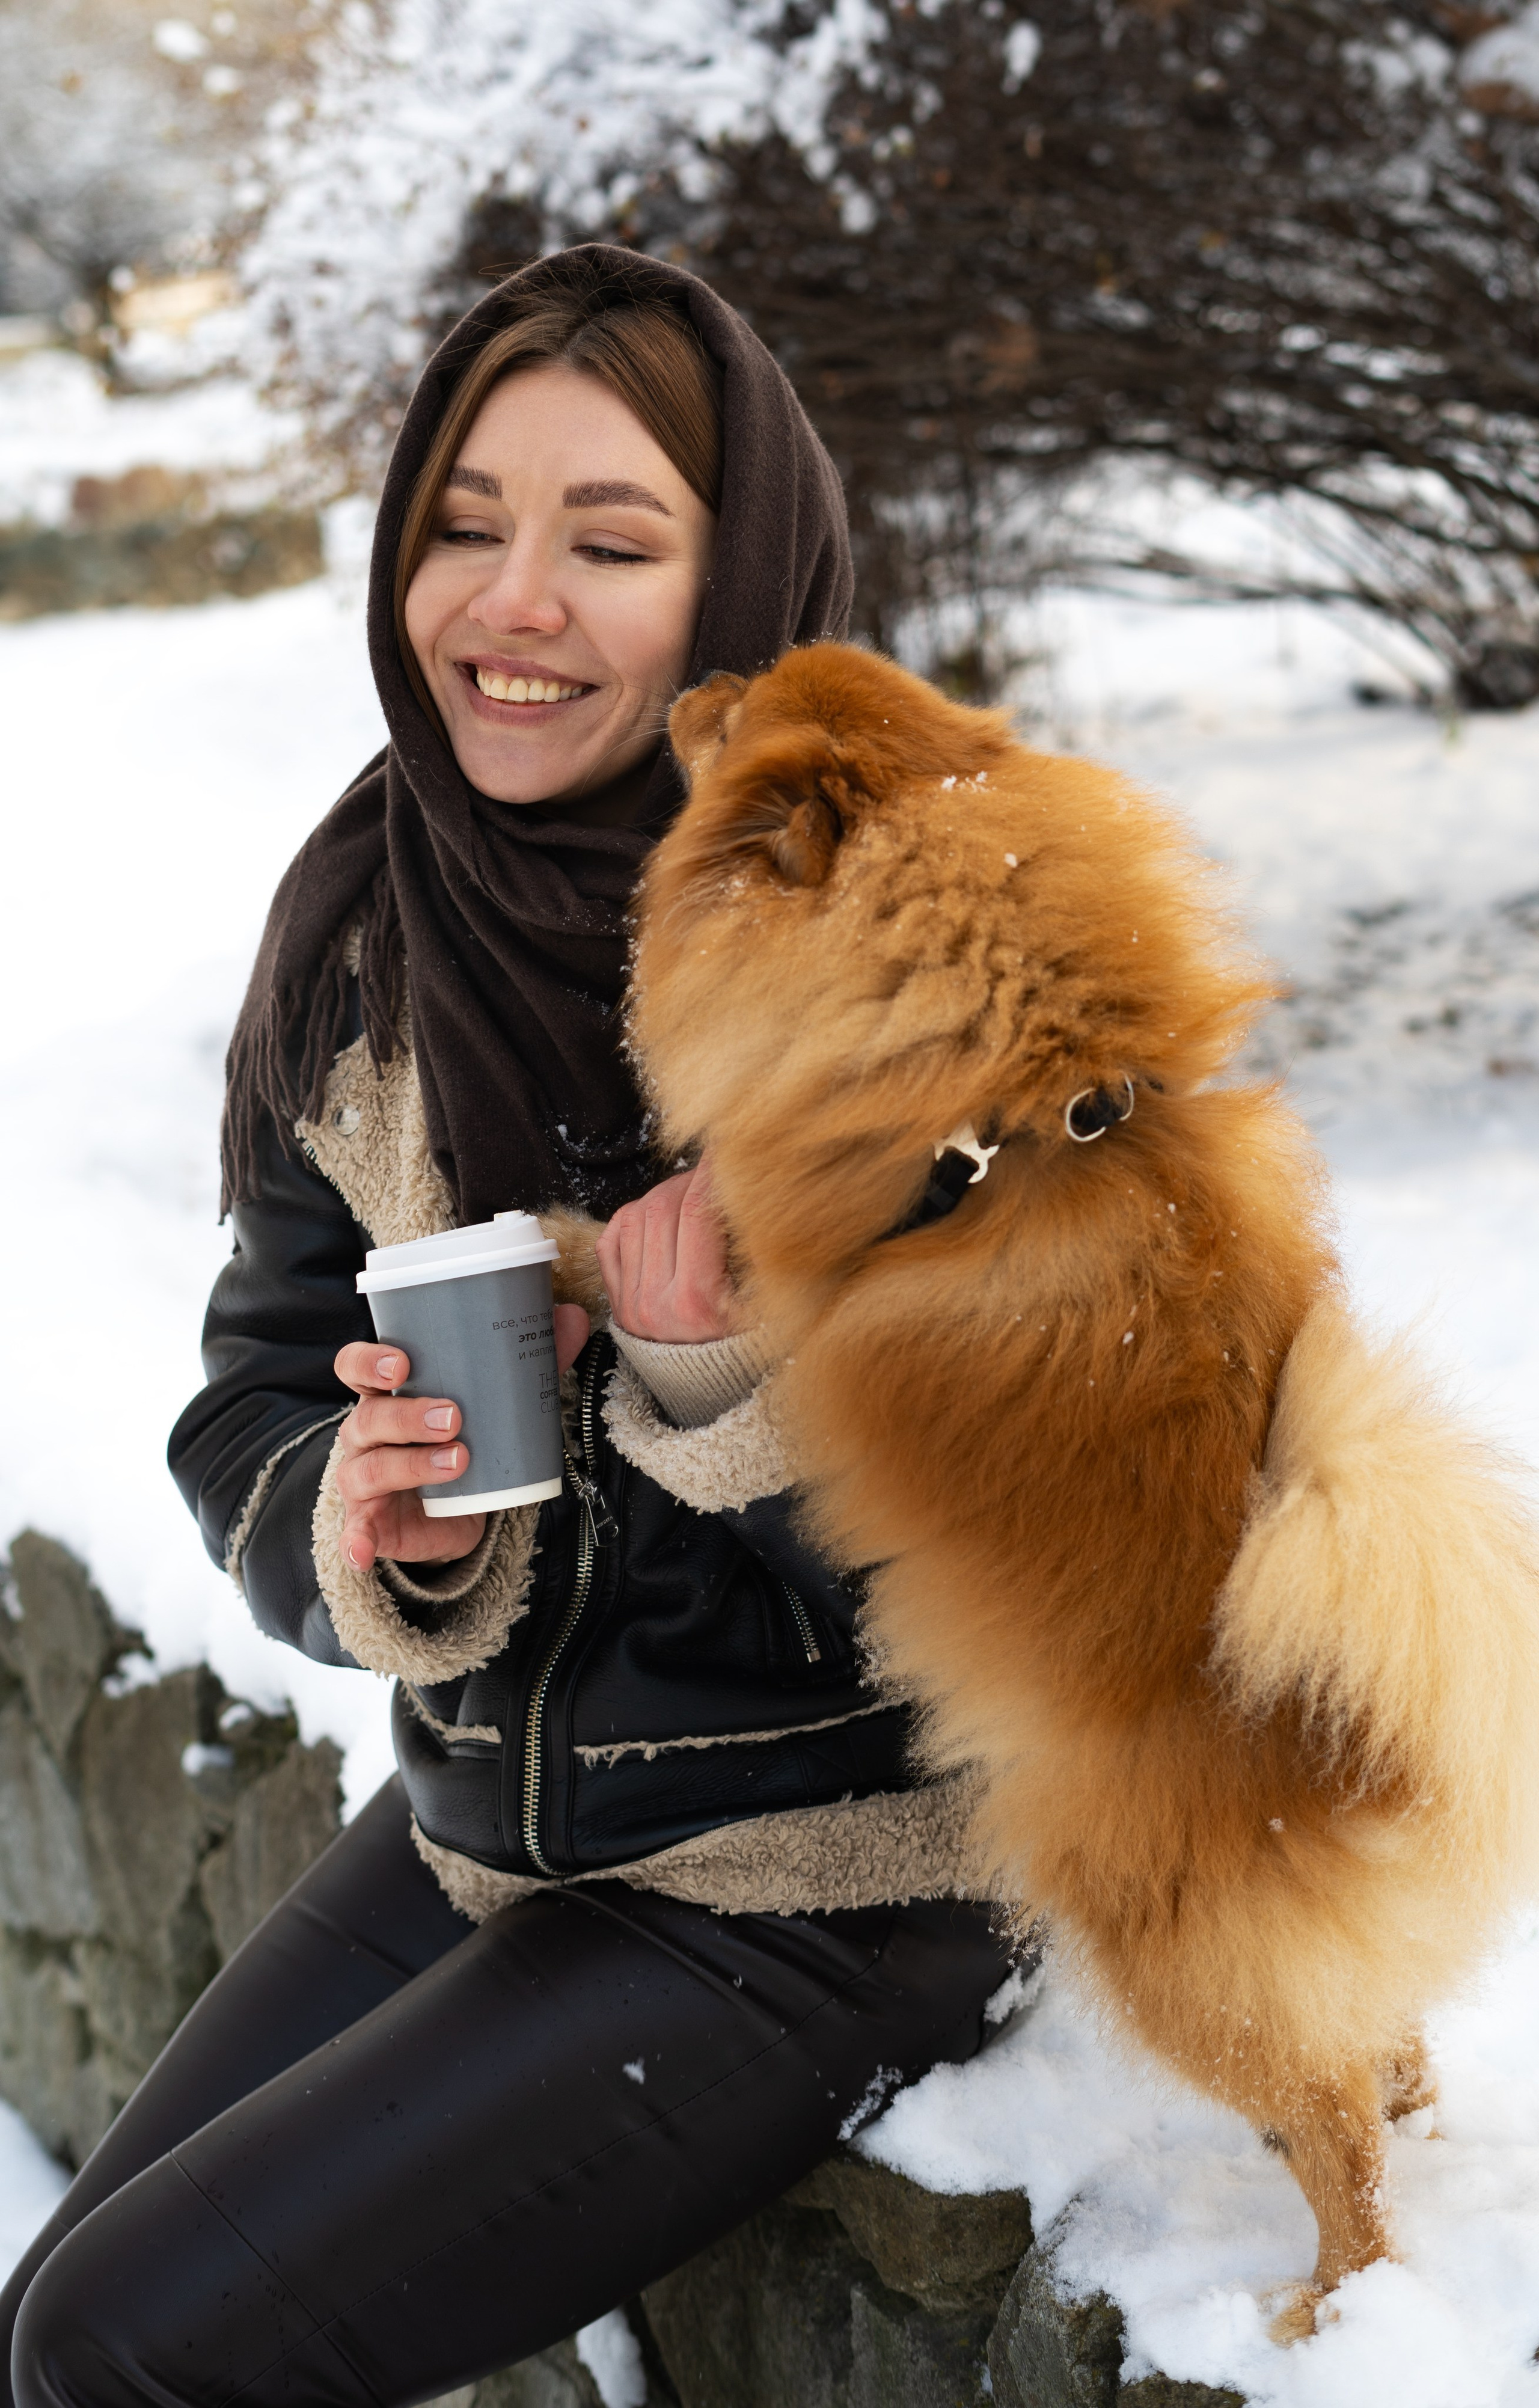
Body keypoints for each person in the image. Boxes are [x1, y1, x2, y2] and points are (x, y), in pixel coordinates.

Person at [4, 246, 1012, 2408]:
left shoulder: (906, 950)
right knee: (55, 2320)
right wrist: (378, 1532)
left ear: (745, 588)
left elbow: (1074, 1550)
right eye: (463, 524)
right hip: (500, 1820)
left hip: (834, 1871)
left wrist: (726, 1388)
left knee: (119, 2354)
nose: (509, 601)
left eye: (610, 541)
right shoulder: (378, 909)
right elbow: (258, 1390)